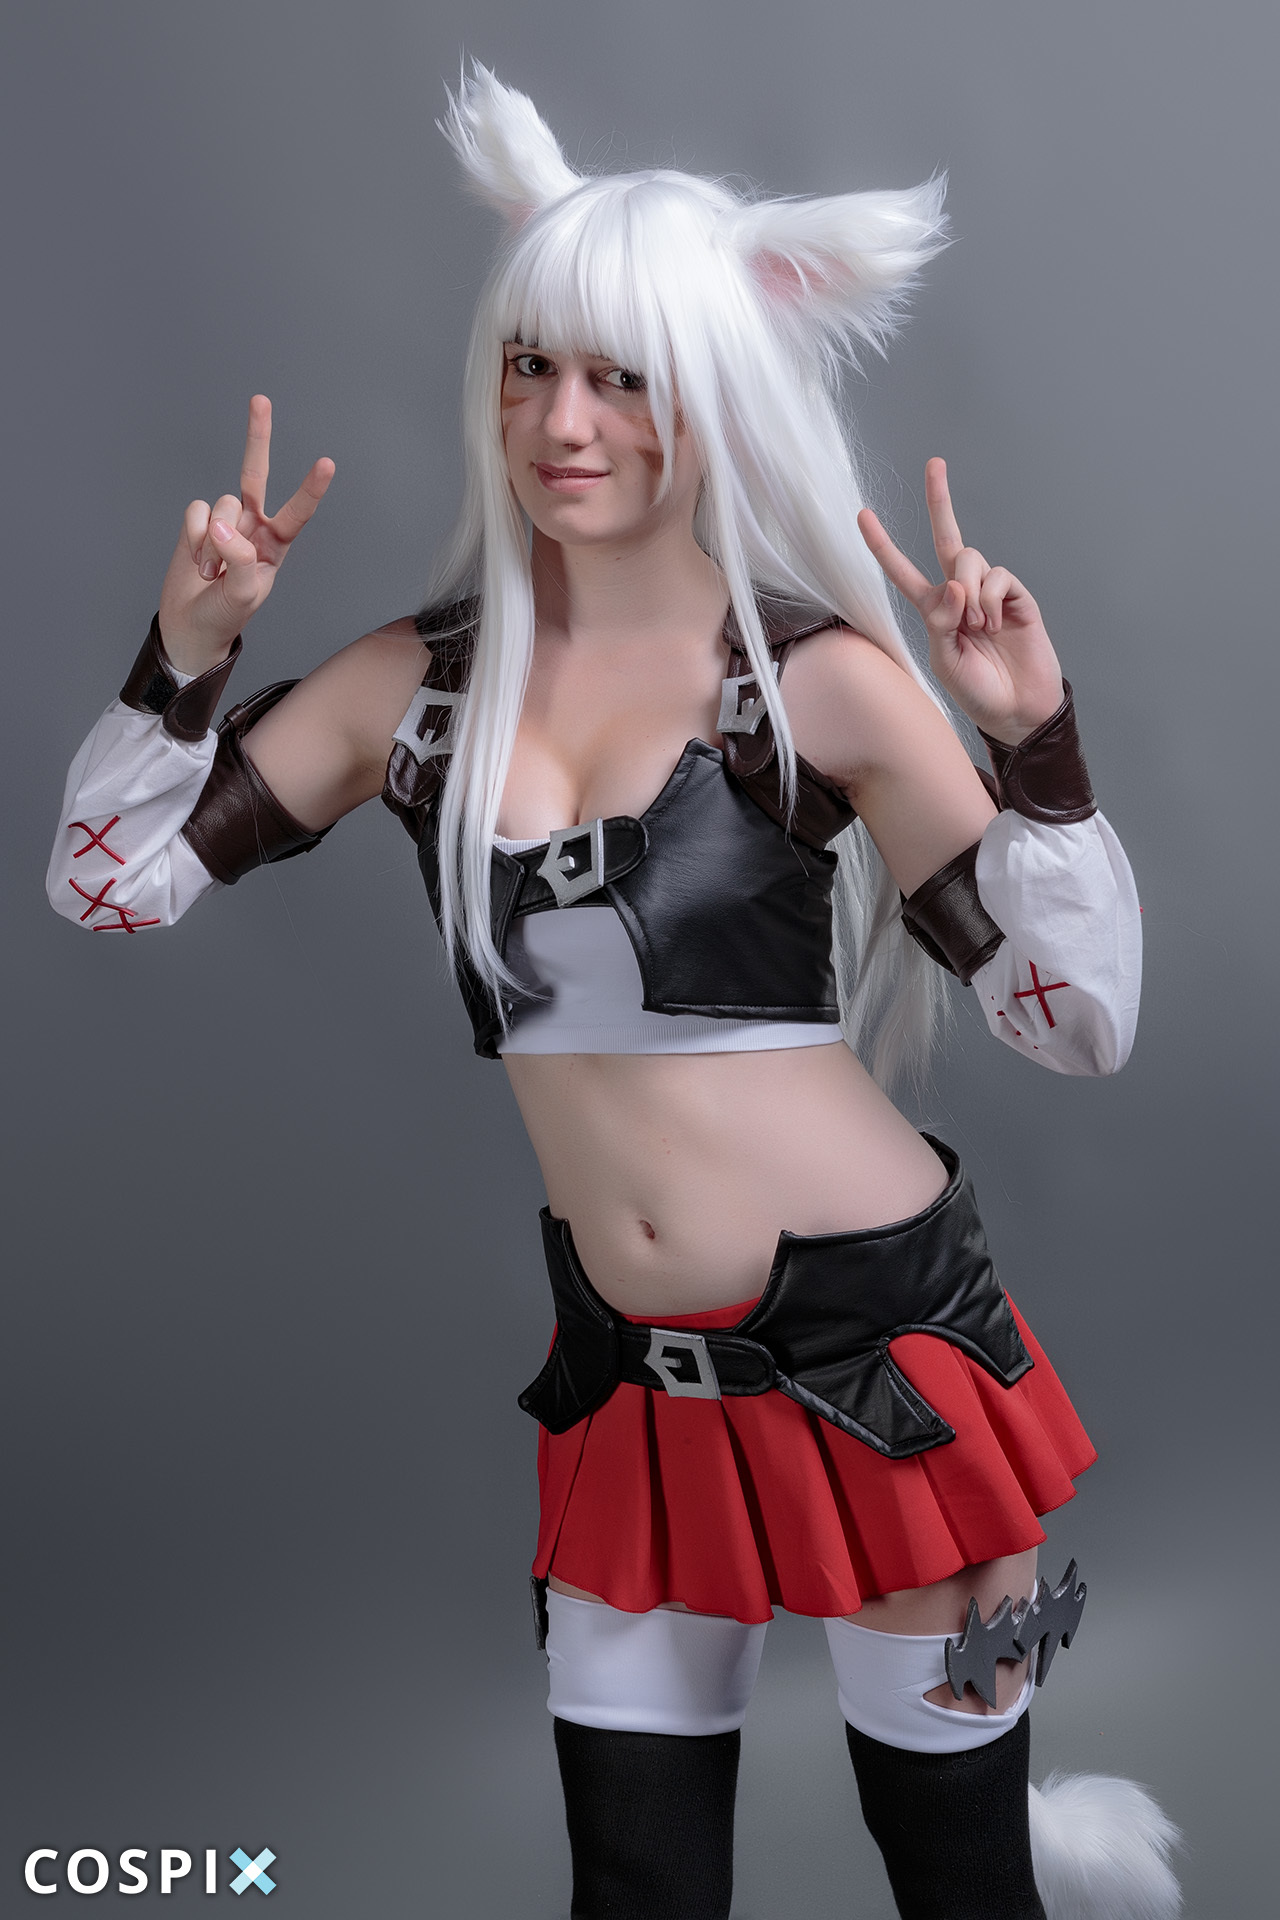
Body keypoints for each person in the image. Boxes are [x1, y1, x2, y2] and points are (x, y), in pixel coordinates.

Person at [47, 64, 1178, 1920]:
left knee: (960, 1880)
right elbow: (110, 889)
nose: (564, 422)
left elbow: (1078, 1024)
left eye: (623, 375)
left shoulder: (818, 683)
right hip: (628, 1386)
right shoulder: (418, 688)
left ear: (714, 393)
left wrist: (1034, 747)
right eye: (531, 367)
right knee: (636, 1887)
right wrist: (186, 657)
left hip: (881, 1354)